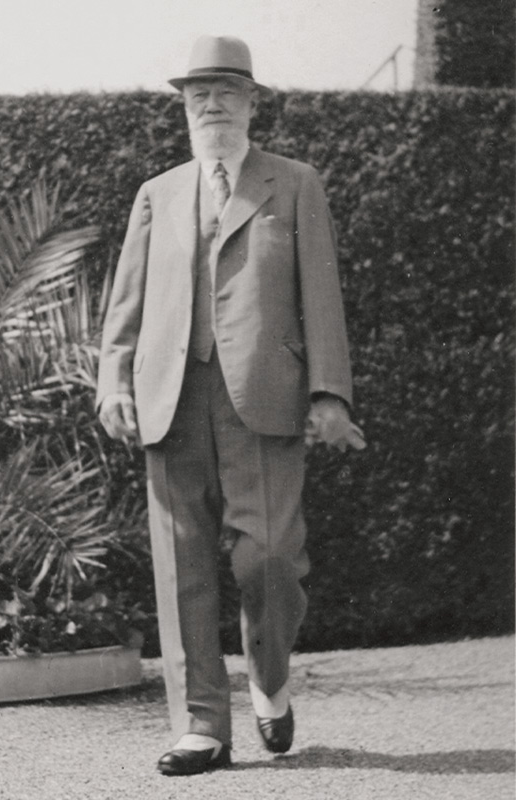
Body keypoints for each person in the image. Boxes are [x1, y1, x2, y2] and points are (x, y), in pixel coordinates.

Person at [96, 35, 365, 776]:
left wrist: (329, 392)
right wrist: (113, 381)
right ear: (184, 107)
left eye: (225, 91)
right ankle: (203, 728)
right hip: (170, 398)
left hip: (265, 397)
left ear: (252, 102)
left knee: (270, 559)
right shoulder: (157, 193)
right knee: (182, 568)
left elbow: (322, 295)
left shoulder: (295, 183)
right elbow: (127, 300)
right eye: (198, 94)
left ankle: (269, 679)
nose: (211, 104)